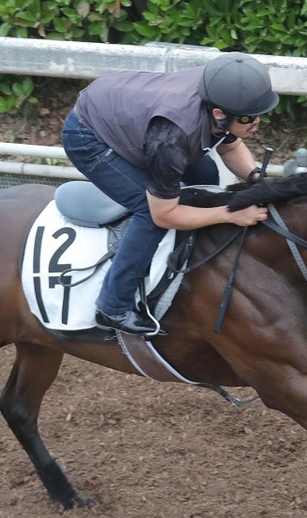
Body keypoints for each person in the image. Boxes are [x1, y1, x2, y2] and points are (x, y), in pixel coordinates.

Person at [61, 52, 278, 336]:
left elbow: (230, 145)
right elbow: (164, 214)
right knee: (147, 213)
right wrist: (231, 214)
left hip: (131, 113)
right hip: (89, 135)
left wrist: (255, 177)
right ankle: (112, 307)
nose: (256, 124)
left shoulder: (220, 91)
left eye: (259, 116)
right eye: (249, 118)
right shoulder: (172, 139)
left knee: (206, 177)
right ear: (219, 114)